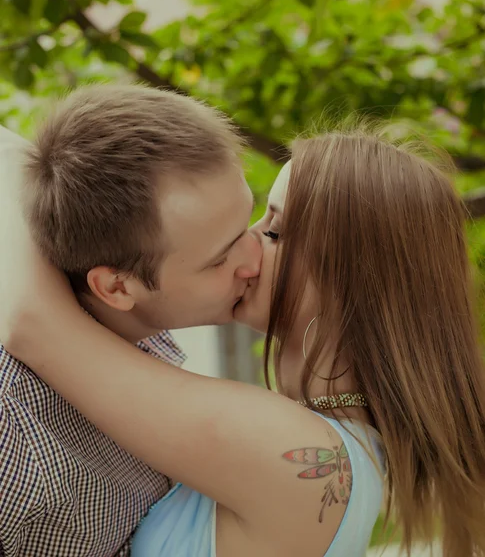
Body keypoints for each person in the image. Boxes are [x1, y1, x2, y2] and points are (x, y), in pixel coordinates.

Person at [2, 123, 485, 557]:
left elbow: (33, 323)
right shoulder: (346, 454)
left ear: (349, 285)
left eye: (273, 231)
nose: (247, 247)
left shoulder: (296, 451)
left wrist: (35, 174)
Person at [0, 84, 261, 556]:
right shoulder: (14, 434)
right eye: (220, 258)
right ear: (117, 288)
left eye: (249, 222)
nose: (254, 258)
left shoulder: (147, 335)